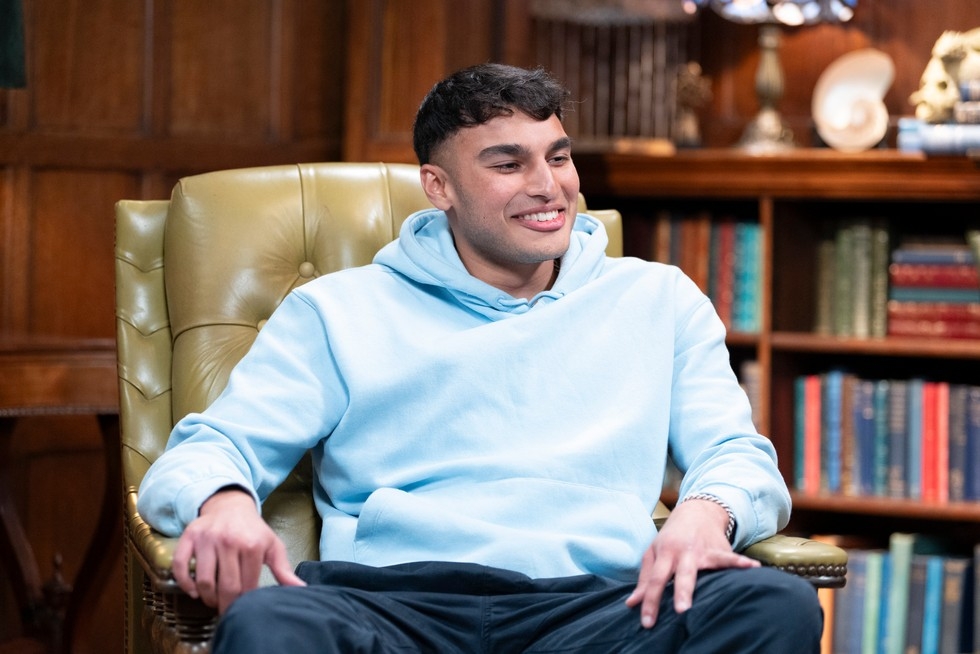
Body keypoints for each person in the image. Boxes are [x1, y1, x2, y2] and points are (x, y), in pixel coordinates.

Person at [137, 62, 822, 653]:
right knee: (269, 623)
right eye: (508, 164)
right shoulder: (336, 311)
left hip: (600, 608)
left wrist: (706, 512)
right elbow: (207, 451)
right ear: (439, 187)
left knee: (773, 605)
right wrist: (224, 504)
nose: (548, 186)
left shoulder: (659, 299)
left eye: (558, 157)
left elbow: (738, 455)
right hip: (392, 605)